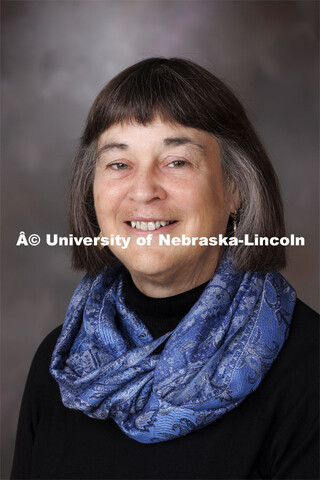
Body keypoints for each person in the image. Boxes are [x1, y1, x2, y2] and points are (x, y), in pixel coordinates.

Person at [11, 58, 319, 479]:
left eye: (176, 161)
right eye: (119, 164)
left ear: (234, 188)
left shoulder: (308, 366)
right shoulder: (60, 365)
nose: (143, 190)